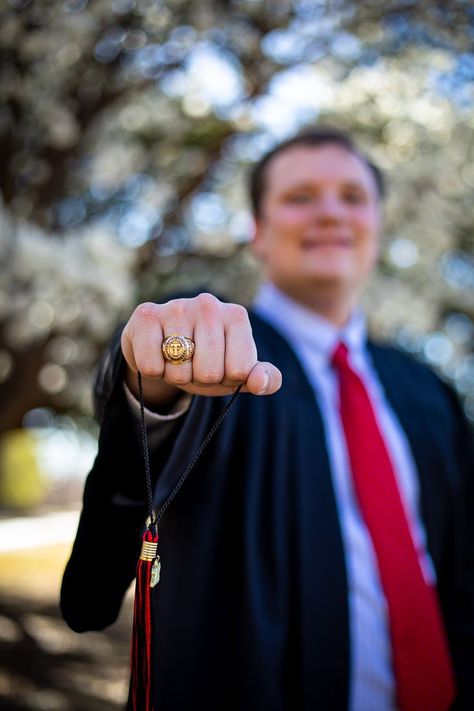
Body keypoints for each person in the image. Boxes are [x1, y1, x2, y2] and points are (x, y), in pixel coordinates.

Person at [60, 128, 474, 711]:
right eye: (300, 196)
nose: (330, 210)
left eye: (352, 196)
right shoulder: (223, 354)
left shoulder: (429, 391)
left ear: (377, 224)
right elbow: (149, 408)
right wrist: (150, 382)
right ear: (257, 232)